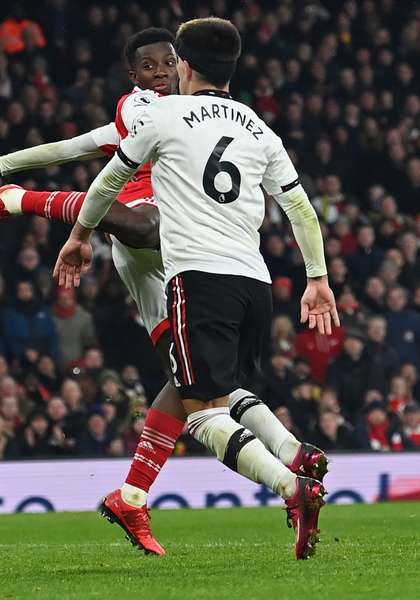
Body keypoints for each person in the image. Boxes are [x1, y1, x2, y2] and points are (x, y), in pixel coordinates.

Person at [0, 27, 324, 556]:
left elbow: (72, 145)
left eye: (169, 63)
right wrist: (17, 189)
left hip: (178, 265)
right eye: (150, 66)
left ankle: (133, 495)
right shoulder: (145, 107)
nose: (161, 73)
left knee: (190, 380)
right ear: (134, 76)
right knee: (192, 362)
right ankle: (16, 202)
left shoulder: (181, 115)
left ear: (184, 65)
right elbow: (102, 167)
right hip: (150, 231)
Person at [53, 18, 338, 559]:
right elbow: (299, 206)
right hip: (256, 286)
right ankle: (291, 453)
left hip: (198, 281)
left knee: (201, 409)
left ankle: (292, 487)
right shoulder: (260, 128)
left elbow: (107, 181)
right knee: (217, 391)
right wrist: (317, 279)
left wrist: (79, 236)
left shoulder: (161, 116)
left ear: (183, 66)